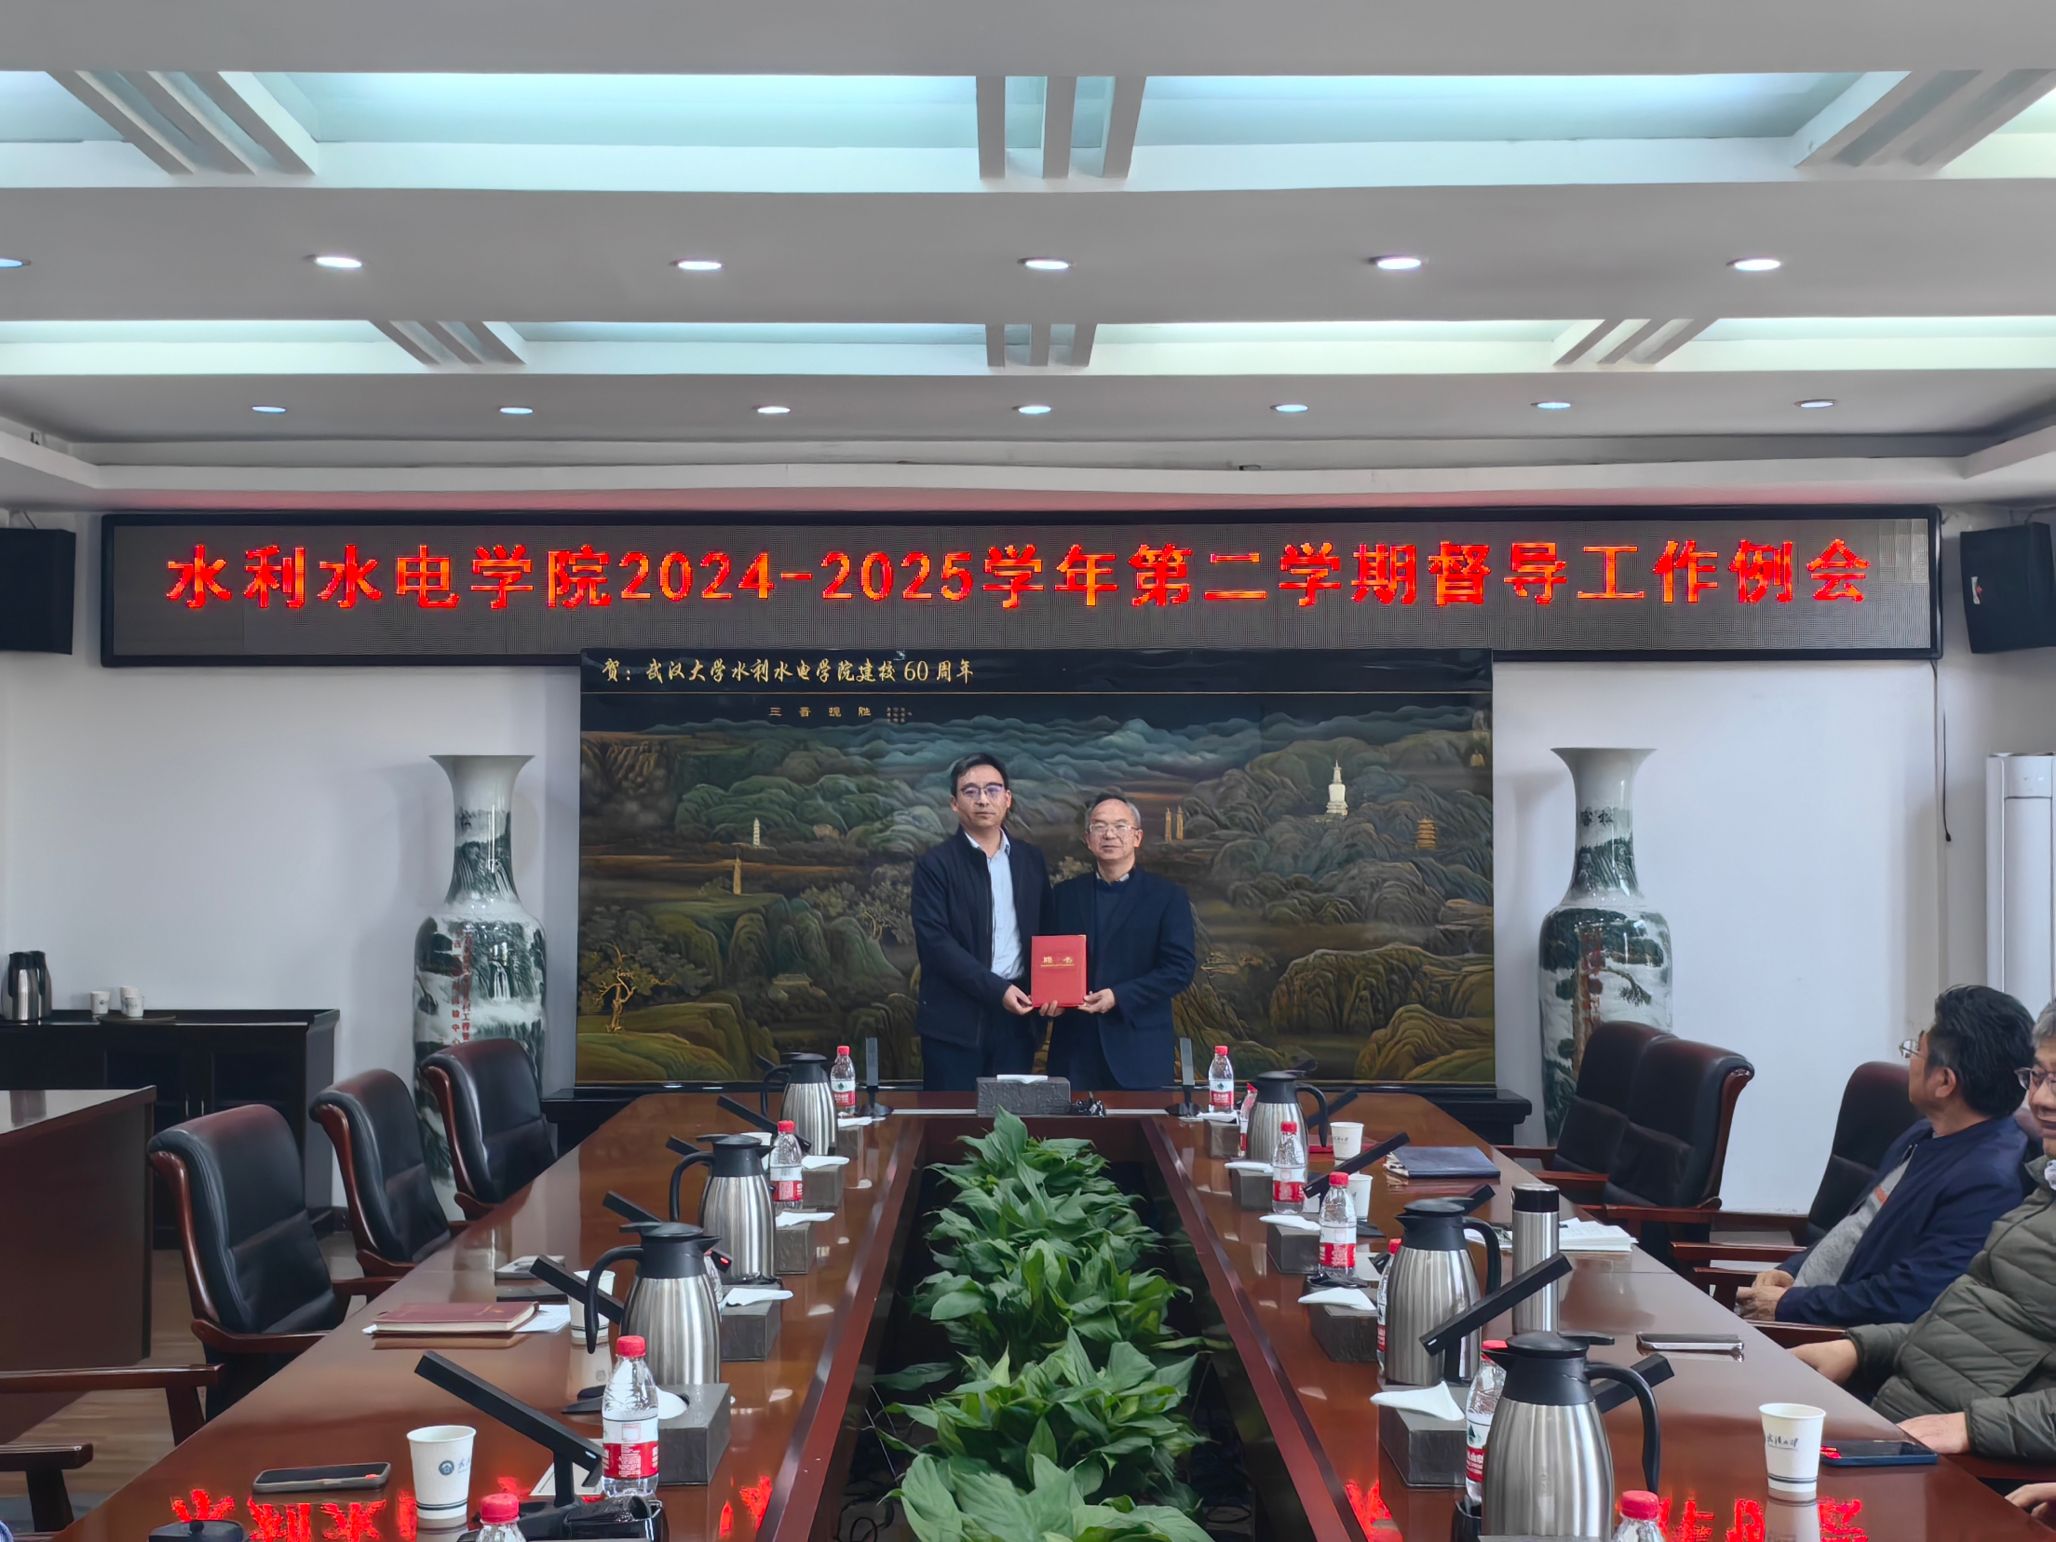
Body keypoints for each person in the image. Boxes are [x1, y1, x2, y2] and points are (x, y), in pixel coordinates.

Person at [1792, 1004, 2056, 1463]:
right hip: (1893, 1417)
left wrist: (1970, 1428)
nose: (2041, 1100)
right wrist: (1860, 1348)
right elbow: (1963, 1323)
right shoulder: (2044, 1189)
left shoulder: (1995, 1178)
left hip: (1961, 1460)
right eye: (2038, 1077)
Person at [1737, 985, 2033, 1327]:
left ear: (1944, 1082)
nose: (1909, 1062)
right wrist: (1792, 1271)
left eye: (1916, 1051)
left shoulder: (1987, 1184)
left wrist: (1791, 1306)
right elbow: (1856, 1231)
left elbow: (1908, 1299)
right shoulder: (1923, 1135)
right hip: (1800, 1309)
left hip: (1827, 1338)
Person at [910, 752, 1051, 1091]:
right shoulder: (935, 865)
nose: (983, 799)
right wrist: (997, 989)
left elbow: (1047, 930)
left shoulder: (1030, 861)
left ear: (1007, 798)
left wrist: (1051, 990)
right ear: (954, 803)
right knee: (953, 1119)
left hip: (1017, 1019)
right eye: (970, 791)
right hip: (954, 1025)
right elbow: (936, 944)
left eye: (992, 790)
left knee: (1009, 1120)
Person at [1041, 792, 1196, 1091]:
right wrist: (1049, 998)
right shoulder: (1064, 895)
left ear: (1137, 837)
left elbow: (1179, 970)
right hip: (1074, 1051)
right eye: (1099, 826)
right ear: (1088, 839)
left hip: (1139, 1050)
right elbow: (1049, 959)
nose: (1109, 834)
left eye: (1120, 826)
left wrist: (1118, 996)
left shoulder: (1167, 897)